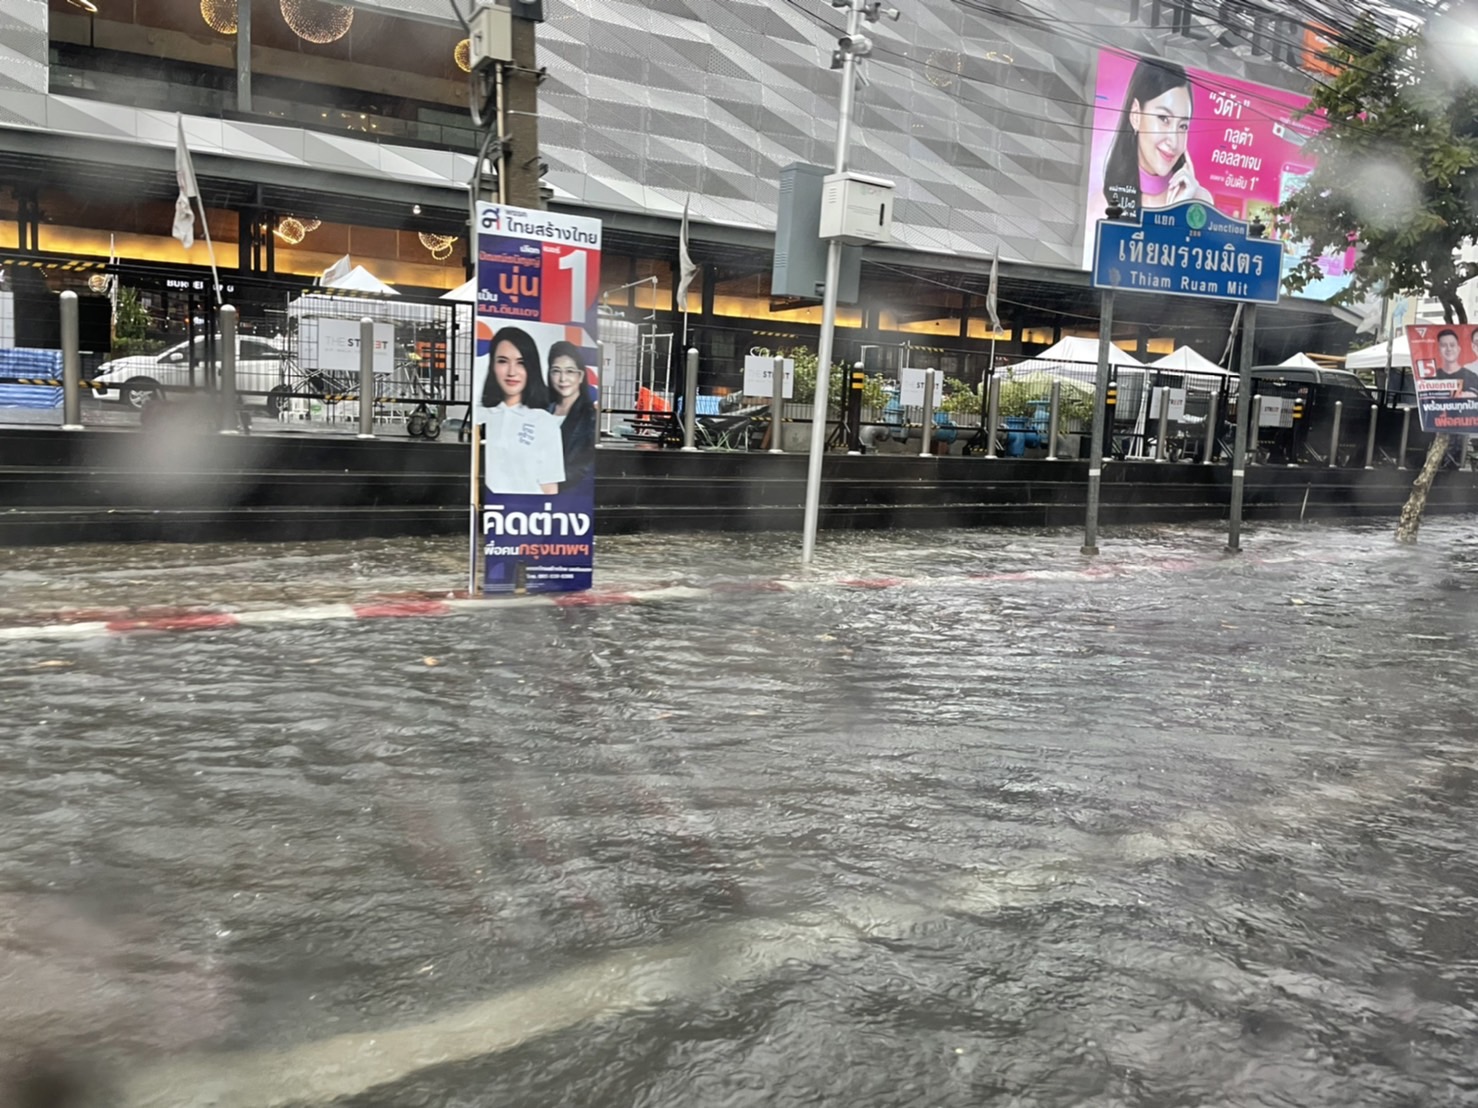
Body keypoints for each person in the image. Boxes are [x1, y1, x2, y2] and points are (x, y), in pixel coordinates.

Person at [1102, 57, 1214, 221]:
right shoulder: (1104, 202)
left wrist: (1181, 209)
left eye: (1183, 126)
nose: (1174, 143)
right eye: (1163, 119)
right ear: (1135, 115)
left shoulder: (1199, 201)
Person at [480, 326, 564, 494]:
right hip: (487, 514)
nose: (512, 372)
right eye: (503, 361)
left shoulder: (544, 421)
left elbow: (549, 487)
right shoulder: (480, 416)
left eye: (521, 363)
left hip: (527, 515)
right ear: (492, 365)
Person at [546, 340, 597, 492]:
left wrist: (549, 485)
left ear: (580, 376)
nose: (562, 379)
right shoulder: (543, 411)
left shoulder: (590, 417)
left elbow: (581, 467)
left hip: (566, 495)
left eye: (569, 371)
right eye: (556, 371)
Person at [1429, 328, 1478, 397]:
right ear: (1439, 351)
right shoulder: (1430, 379)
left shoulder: (1472, 376)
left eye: (1452, 345)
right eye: (1444, 345)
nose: (1449, 349)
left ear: (1458, 349)